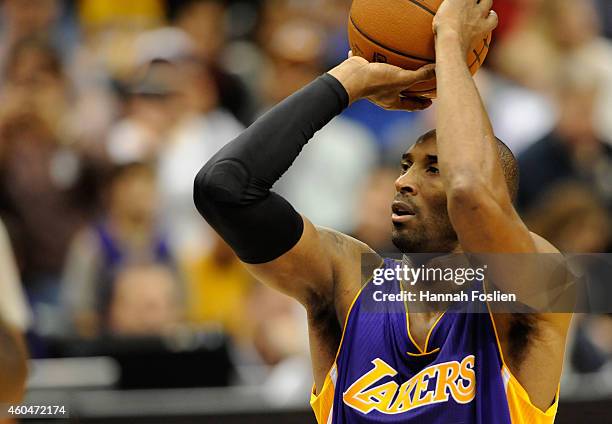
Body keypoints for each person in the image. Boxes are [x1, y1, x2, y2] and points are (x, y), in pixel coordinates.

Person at [193, 0, 572, 422]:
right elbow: (225, 189)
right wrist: (348, 81)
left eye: (433, 168)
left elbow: (472, 194)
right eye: (405, 164)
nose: (403, 181)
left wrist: (449, 44)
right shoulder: (350, 285)